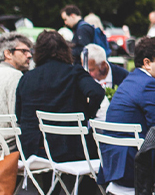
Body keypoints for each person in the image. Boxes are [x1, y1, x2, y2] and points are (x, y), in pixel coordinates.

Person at [15, 31, 105, 162]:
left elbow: (19, 114)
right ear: (65, 50)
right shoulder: (74, 73)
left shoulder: (27, 78)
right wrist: (87, 114)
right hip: (70, 149)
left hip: (33, 151)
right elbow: (97, 92)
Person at [99, 37, 155, 188]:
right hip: (135, 170)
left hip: (112, 165)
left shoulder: (130, 79)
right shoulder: (151, 86)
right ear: (147, 63)